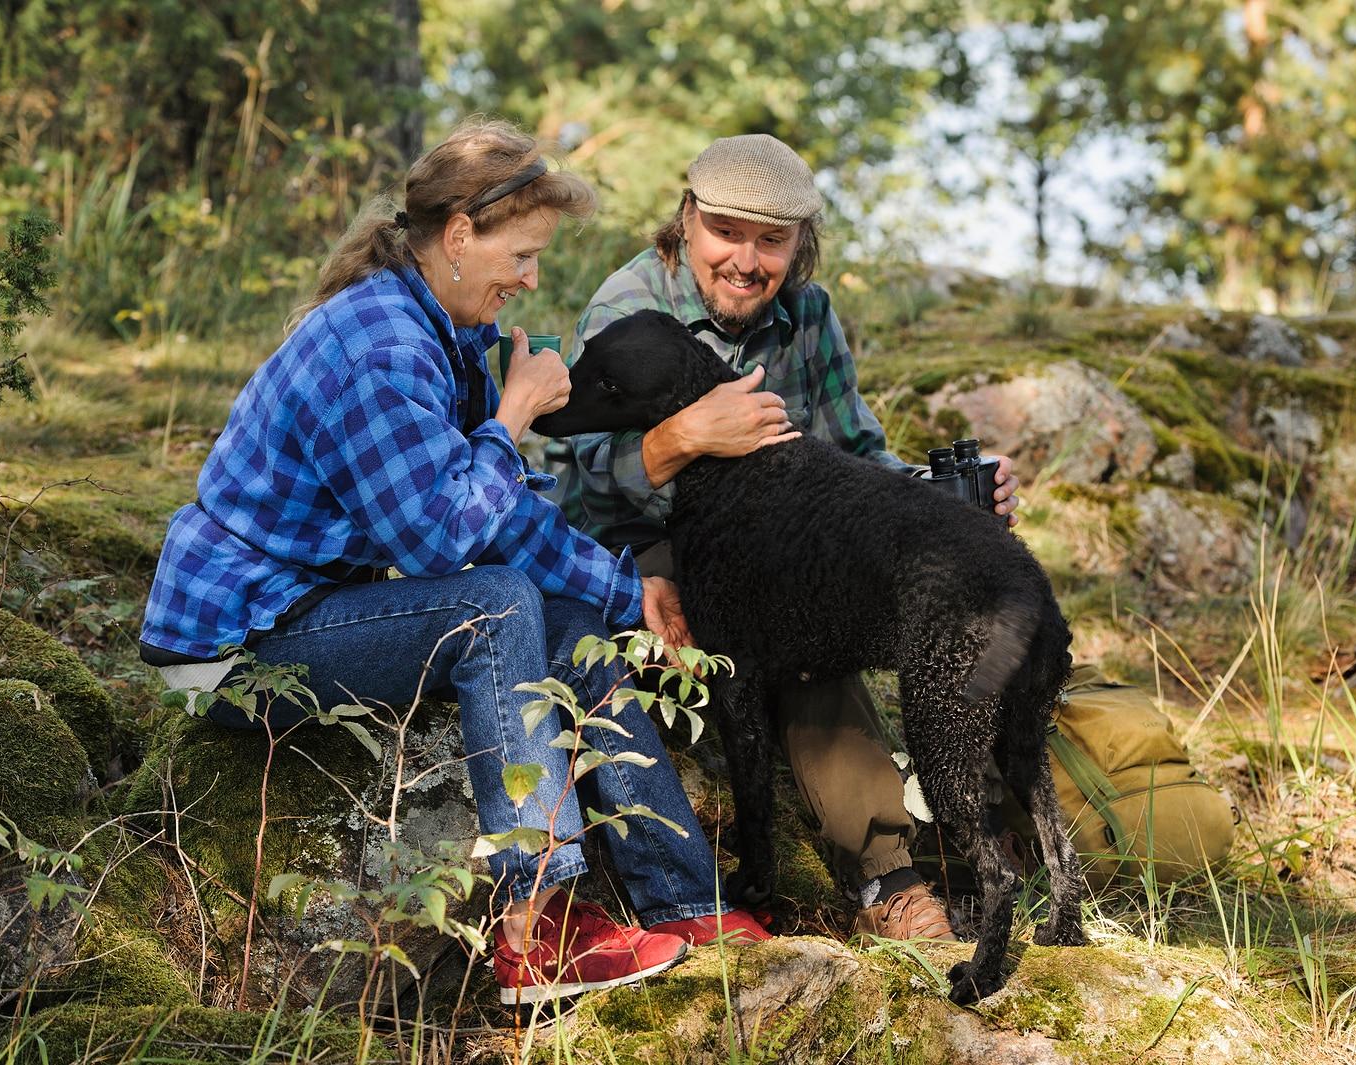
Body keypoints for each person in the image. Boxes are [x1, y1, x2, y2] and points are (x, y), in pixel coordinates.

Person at [138, 119, 767, 1007]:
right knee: (499, 607)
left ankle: (682, 900)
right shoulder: (383, 349)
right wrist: (508, 421)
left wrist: (634, 596)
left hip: (311, 608)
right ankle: (534, 929)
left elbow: (502, 518)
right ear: (460, 234)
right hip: (237, 650)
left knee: (571, 621)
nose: (532, 278)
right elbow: (439, 543)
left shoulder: (444, 328)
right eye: (523, 253)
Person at [557, 134, 1022, 943]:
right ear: (687, 220)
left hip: (769, 549)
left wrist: (945, 501)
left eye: (771, 240)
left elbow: (857, 456)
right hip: (641, 548)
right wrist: (691, 436)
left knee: (817, 631)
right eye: (727, 232)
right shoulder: (631, 304)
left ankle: (890, 878)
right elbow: (582, 470)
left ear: (799, 245)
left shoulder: (807, 315)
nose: (746, 259)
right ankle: (702, 887)